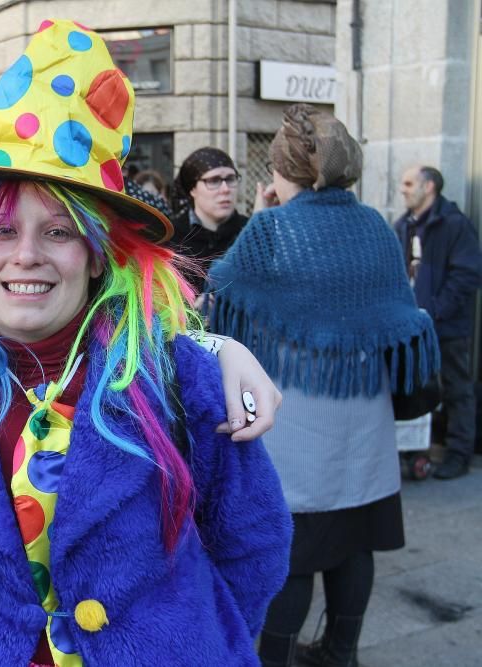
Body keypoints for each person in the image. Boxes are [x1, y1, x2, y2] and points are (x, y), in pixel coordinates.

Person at [0, 20, 292, 666]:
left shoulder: (181, 378)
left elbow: (253, 541)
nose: (25, 255)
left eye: (58, 231)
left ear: (95, 255)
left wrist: (198, 640)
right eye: (2, 231)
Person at [207, 104, 442, 667]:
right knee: (355, 542)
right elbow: (402, 317)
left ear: (284, 168)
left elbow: (217, 298)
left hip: (298, 415)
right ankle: (342, 653)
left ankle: (278, 658)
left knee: (294, 551)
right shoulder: (376, 228)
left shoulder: (270, 230)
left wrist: (265, 214)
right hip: (363, 409)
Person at [395, 166, 482, 479]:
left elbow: (468, 274)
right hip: (415, 327)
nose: (402, 189)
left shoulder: (455, 224)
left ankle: (458, 454)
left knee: (458, 390)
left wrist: (437, 310)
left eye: (408, 183)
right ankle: (420, 450)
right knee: (417, 388)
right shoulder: (404, 224)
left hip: (447, 328)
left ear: (428, 186)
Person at [169, 147, 249, 295]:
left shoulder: (249, 231)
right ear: (192, 189)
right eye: (214, 181)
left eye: (230, 179)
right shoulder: (172, 237)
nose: (225, 189)